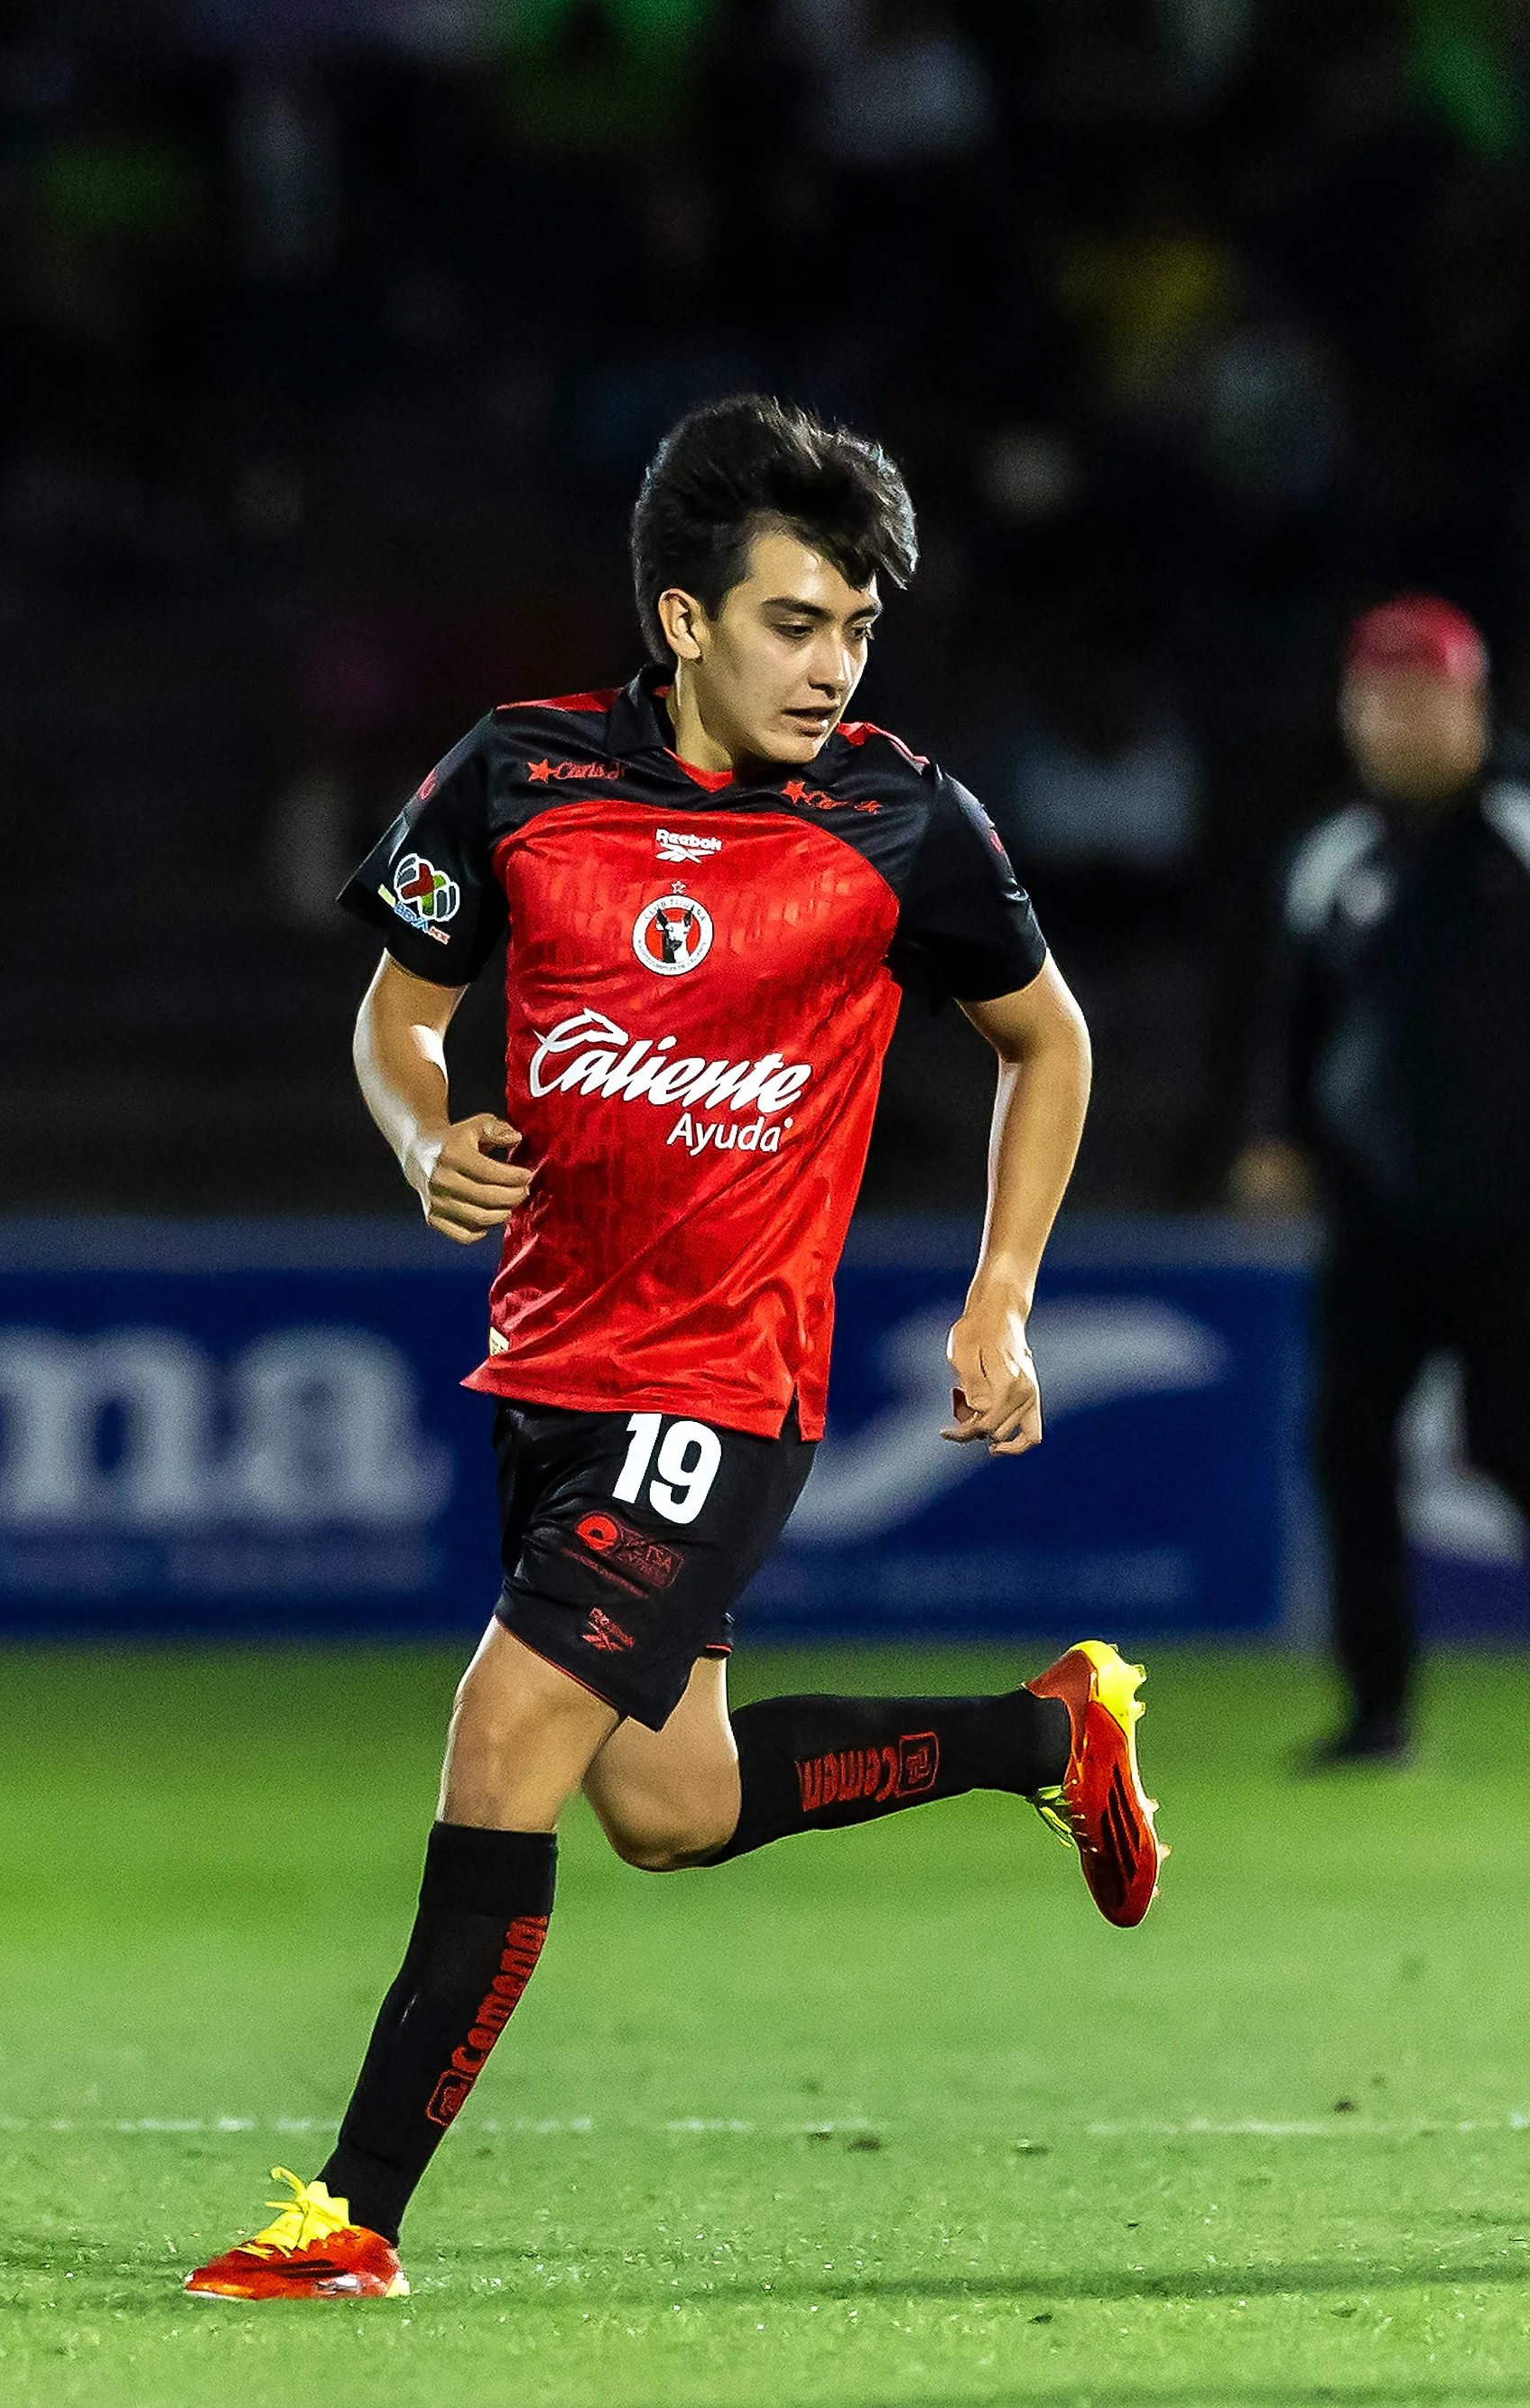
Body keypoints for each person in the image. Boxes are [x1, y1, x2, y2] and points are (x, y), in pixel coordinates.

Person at [183, 397, 1158, 2302]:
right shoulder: (517, 776)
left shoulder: (903, 819)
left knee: (503, 1736)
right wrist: (423, 1136)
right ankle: (1050, 1734)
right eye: (794, 622)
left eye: (855, 628)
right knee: (670, 1805)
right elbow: (395, 1014)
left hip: (722, 1384)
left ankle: (353, 2213)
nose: (832, 664)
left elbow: (1048, 1039)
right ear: (683, 618)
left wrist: (1001, 1291)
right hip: (547, 1367)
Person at [1234, 596, 1530, 1768]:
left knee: (1507, 1436)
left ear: (1472, 706)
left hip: (1521, 1195)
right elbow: (1293, 1013)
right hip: (1374, 1202)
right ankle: (1380, 1711)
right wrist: (1277, 1133)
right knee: (1349, 1442)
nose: (1392, 724)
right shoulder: (1336, 851)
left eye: (1418, 701)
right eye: (1373, 702)